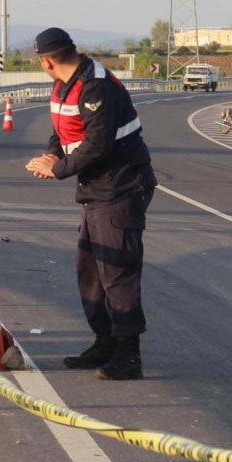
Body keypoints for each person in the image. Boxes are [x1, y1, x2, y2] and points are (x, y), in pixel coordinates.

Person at [24, 28, 156, 381]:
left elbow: (97, 143)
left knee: (117, 271)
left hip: (121, 186)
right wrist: (52, 154)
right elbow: (63, 128)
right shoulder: (65, 84)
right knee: (91, 271)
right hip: (96, 189)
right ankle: (105, 342)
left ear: (46, 60)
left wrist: (58, 170)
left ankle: (128, 355)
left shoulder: (96, 85)